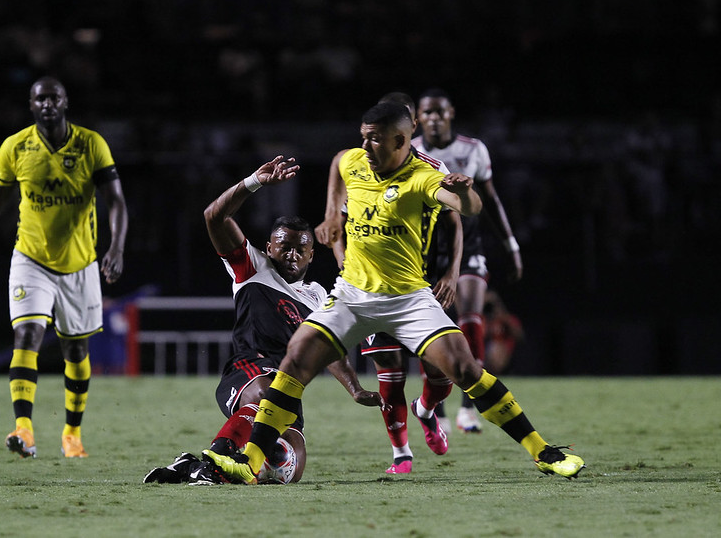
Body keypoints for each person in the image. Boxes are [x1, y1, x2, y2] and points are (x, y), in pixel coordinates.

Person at [203, 102, 585, 484]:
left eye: (375, 139)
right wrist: (333, 211)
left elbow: (468, 207)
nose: (366, 146)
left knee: (465, 369)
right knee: (297, 357)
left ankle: (542, 451)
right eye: (364, 137)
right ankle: (249, 459)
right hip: (352, 295)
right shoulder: (354, 161)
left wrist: (465, 194)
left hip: (407, 299)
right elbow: (339, 162)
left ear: (401, 140)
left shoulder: (424, 175)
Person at [143, 155, 384, 485]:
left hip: (287, 389)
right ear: (269, 247)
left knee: (288, 468)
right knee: (266, 390)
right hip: (248, 373)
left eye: (301, 248)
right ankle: (216, 460)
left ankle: (191, 466)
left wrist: (355, 389)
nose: (292, 254)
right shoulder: (252, 267)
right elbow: (213, 216)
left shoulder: (316, 295)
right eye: (284, 246)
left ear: (312, 254)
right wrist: (253, 182)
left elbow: (327, 348)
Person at [0, 76, 128, 459]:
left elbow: (117, 201)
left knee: (75, 350)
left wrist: (117, 248)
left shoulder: (91, 144)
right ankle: (23, 430)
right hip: (30, 260)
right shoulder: (16, 147)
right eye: (40, 99)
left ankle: (72, 434)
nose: (47, 104)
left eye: (54, 97)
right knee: (26, 338)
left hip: (80, 263)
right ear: (31, 104)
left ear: (65, 102)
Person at [325, 91, 462, 474]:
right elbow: (340, 226)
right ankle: (401, 453)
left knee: (440, 373)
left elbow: (456, 222)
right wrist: (346, 268)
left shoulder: (429, 169)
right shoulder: (358, 167)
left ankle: (427, 408)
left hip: (421, 282)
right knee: (389, 370)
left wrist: (451, 274)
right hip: (368, 286)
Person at [414, 88, 524, 434]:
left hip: (469, 242)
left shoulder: (473, 149)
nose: (433, 118)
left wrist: (511, 245)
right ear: (418, 118)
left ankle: (469, 408)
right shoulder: (410, 150)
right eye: (426, 113)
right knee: (429, 327)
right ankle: (436, 409)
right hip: (427, 247)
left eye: (438, 112)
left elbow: (490, 200)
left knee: (471, 318)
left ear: (451, 114)